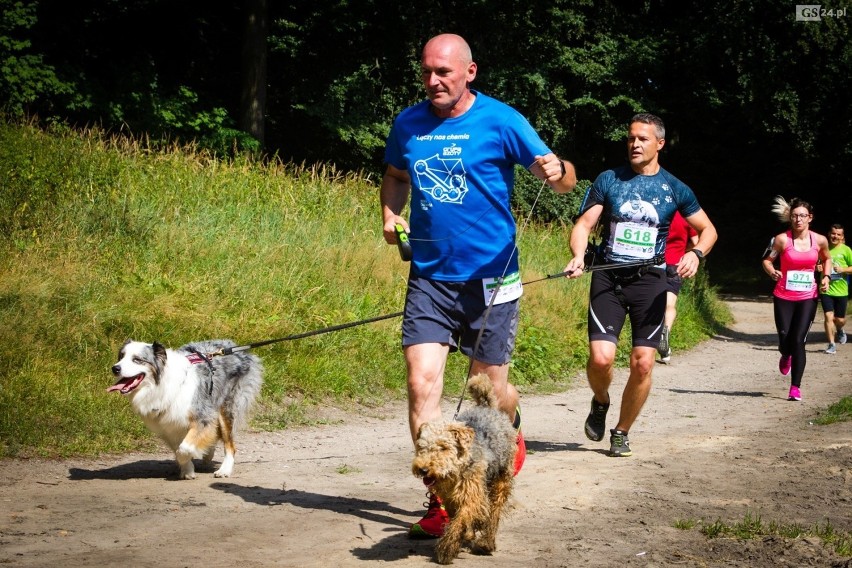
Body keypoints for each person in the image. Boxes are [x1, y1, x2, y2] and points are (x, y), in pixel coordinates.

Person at [380, 33, 577, 538]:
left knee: (490, 393)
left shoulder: (502, 120)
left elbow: (563, 180)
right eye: (425, 71)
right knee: (421, 381)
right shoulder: (409, 123)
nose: (432, 81)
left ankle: (510, 427)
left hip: (493, 279)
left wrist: (559, 171)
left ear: (470, 72)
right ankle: (441, 496)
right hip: (429, 275)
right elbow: (397, 176)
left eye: (443, 72)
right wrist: (390, 212)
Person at [562, 113, 717, 457]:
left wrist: (696, 253)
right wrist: (577, 255)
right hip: (608, 275)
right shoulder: (609, 180)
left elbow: (709, 230)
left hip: (651, 281)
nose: (634, 144)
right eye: (631, 138)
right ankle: (600, 401)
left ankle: (622, 430)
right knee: (601, 360)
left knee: (643, 362)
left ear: (659, 144)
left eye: (643, 139)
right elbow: (584, 224)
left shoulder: (675, 189)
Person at [761, 197, 831, 401]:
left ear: (810, 217)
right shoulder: (781, 239)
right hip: (783, 295)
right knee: (785, 338)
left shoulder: (819, 240)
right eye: (794, 216)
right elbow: (767, 259)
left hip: (808, 296)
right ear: (790, 217)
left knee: (799, 340)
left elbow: (827, 258)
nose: (798, 219)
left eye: (802, 216)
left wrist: (825, 277)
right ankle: (785, 354)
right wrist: (772, 271)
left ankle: (795, 387)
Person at [658, 211, 699, 363]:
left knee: (649, 303)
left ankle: (647, 338)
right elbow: (696, 243)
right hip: (675, 265)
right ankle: (666, 331)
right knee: (669, 304)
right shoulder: (687, 218)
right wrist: (685, 250)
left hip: (654, 264)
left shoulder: (660, 212)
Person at [820, 224, 852, 353]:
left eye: (839, 234)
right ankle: (831, 344)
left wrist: (843, 269)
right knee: (828, 317)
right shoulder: (823, 249)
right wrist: (817, 267)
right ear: (829, 234)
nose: (835, 236)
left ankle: (839, 329)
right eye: (833, 233)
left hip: (841, 290)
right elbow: (814, 263)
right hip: (826, 289)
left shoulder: (846, 250)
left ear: (842, 236)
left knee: (839, 319)